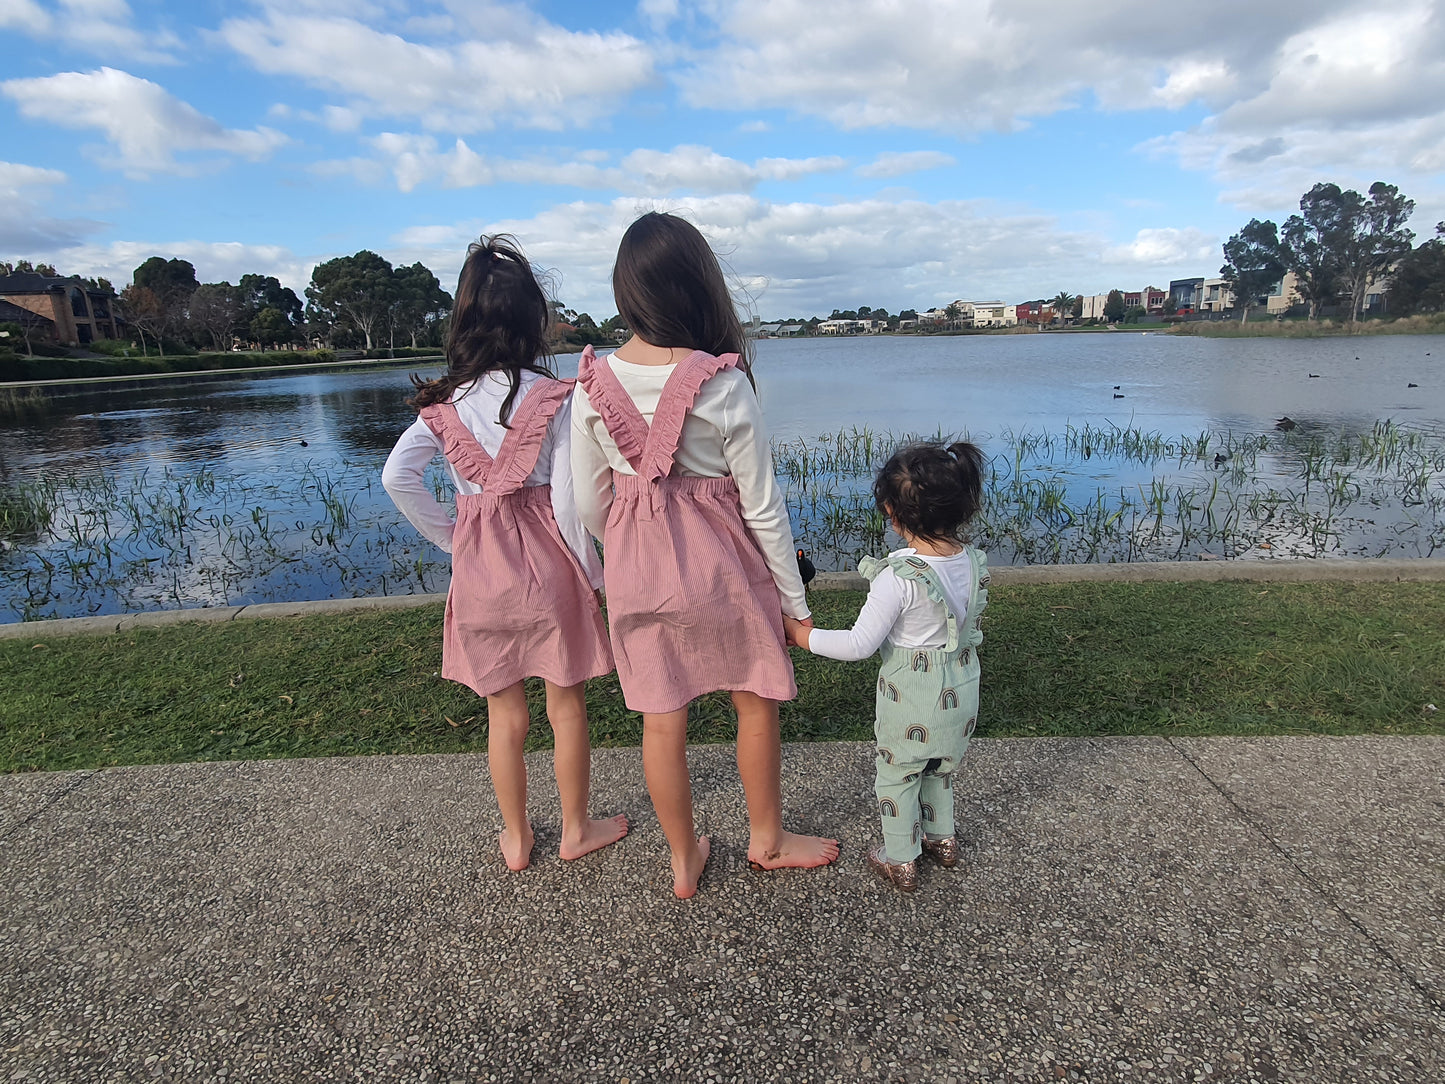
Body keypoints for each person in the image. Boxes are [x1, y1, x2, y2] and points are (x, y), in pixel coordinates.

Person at [571, 211, 839, 898]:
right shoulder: (722, 382)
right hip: (725, 572)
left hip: (639, 576)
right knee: (754, 703)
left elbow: (588, 503)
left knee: (662, 718)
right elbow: (762, 507)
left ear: (625, 292)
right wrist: (795, 605)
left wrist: (632, 546)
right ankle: (768, 839)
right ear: (700, 288)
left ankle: (683, 856)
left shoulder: (590, 387)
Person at [382, 235, 627, 873]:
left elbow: (396, 478)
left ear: (461, 318)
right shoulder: (556, 397)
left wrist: (452, 538)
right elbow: (572, 505)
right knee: (565, 704)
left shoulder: (442, 408)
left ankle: (516, 836)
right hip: (550, 568)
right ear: (531, 320)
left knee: (504, 710)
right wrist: (593, 573)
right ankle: (576, 827)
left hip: (482, 574)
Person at [784, 440, 989, 892]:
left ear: (892, 513)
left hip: (910, 698)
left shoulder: (898, 577)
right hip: (962, 688)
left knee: (898, 775)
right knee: (940, 768)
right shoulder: (971, 562)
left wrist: (804, 636)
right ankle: (942, 838)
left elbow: (860, 643)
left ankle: (900, 859)